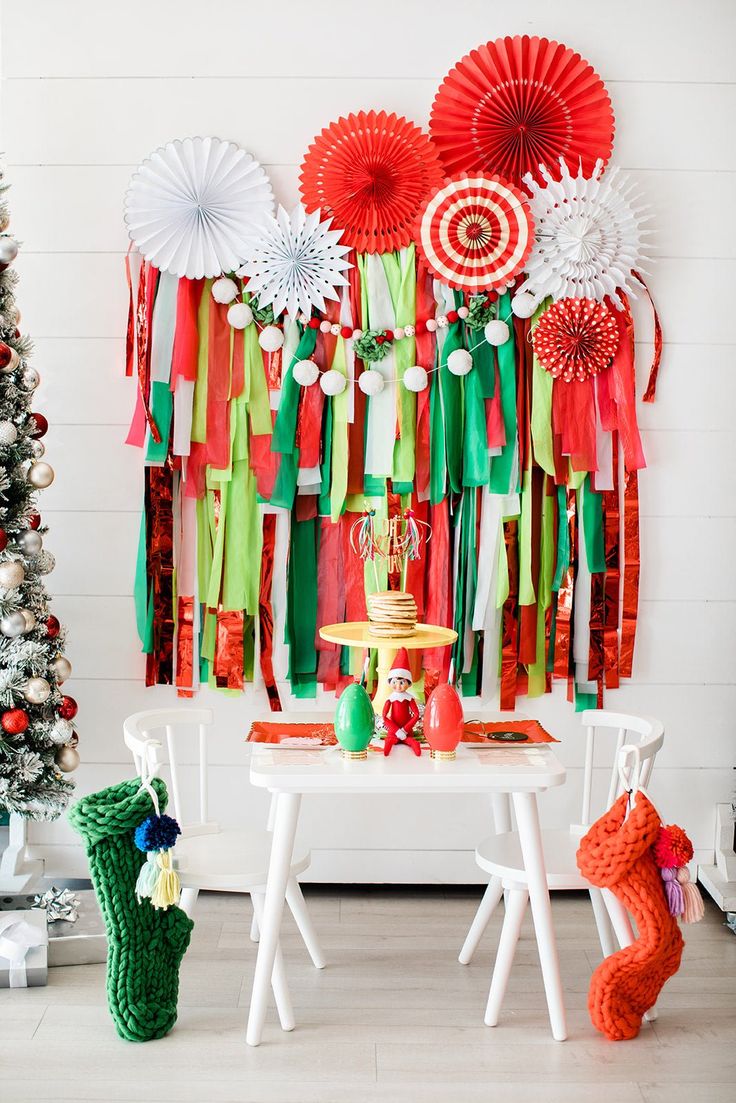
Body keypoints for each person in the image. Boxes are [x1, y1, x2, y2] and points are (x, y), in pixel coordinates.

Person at [382, 648, 421, 756]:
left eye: (402, 682)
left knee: (410, 741)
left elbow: (416, 715)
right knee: (389, 741)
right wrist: (397, 731)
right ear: (389, 682)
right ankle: (388, 750)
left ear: (408, 683)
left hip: (407, 730)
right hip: (393, 731)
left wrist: (404, 730)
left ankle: (415, 745)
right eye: (394, 682)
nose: (398, 686)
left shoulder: (409, 698)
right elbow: (384, 717)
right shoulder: (390, 698)